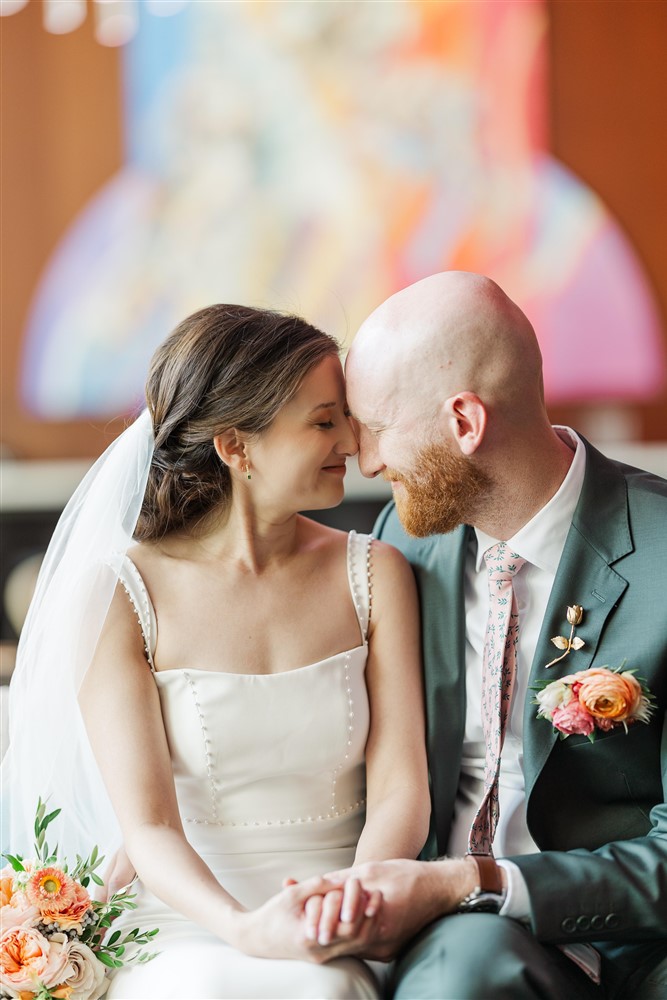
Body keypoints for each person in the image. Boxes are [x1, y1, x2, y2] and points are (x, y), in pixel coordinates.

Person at [3, 305, 430, 998]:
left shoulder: (375, 572)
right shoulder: (116, 593)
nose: (351, 441)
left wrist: (348, 901)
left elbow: (399, 787)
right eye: (324, 421)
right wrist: (244, 929)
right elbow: (148, 826)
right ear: (235, 446)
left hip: (346, 910)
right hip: (188, 918)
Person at [327, 271, 667, 999]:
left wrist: (473, 881)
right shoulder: (403, 545)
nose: (367, 461)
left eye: (376, 427)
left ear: (463, 423)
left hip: (635, 944)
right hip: (455, 947)